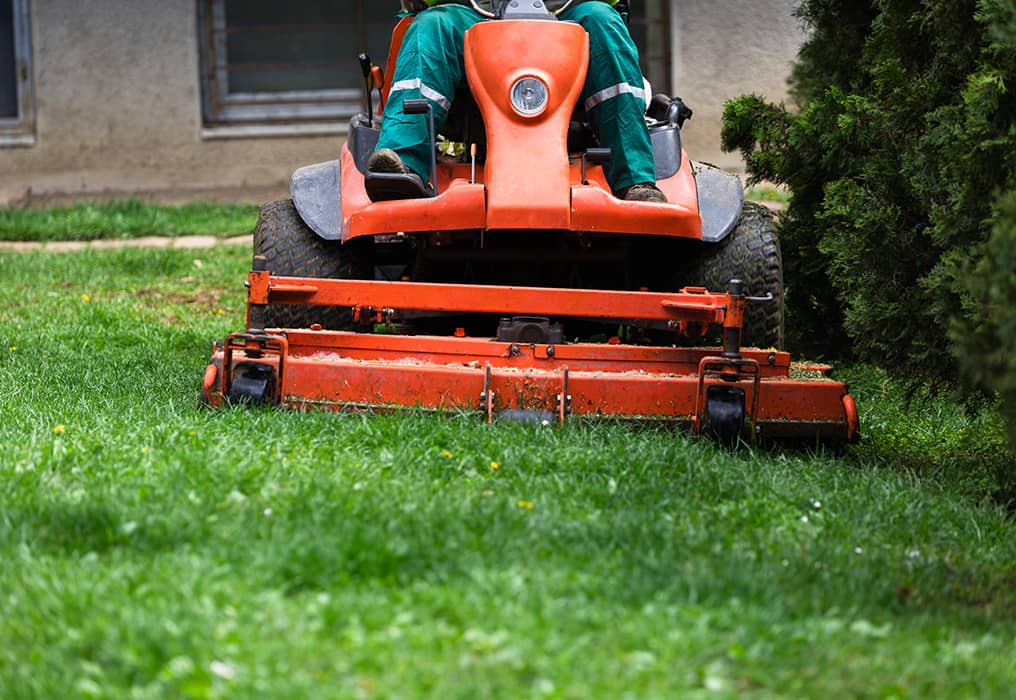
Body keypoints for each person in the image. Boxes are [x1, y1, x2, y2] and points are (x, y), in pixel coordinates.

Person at [368, 0, 667, 203]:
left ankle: (635, 181)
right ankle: (402, 167)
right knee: (431, 26)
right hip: (471, 17)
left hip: (566, 16)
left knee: (604, 21)